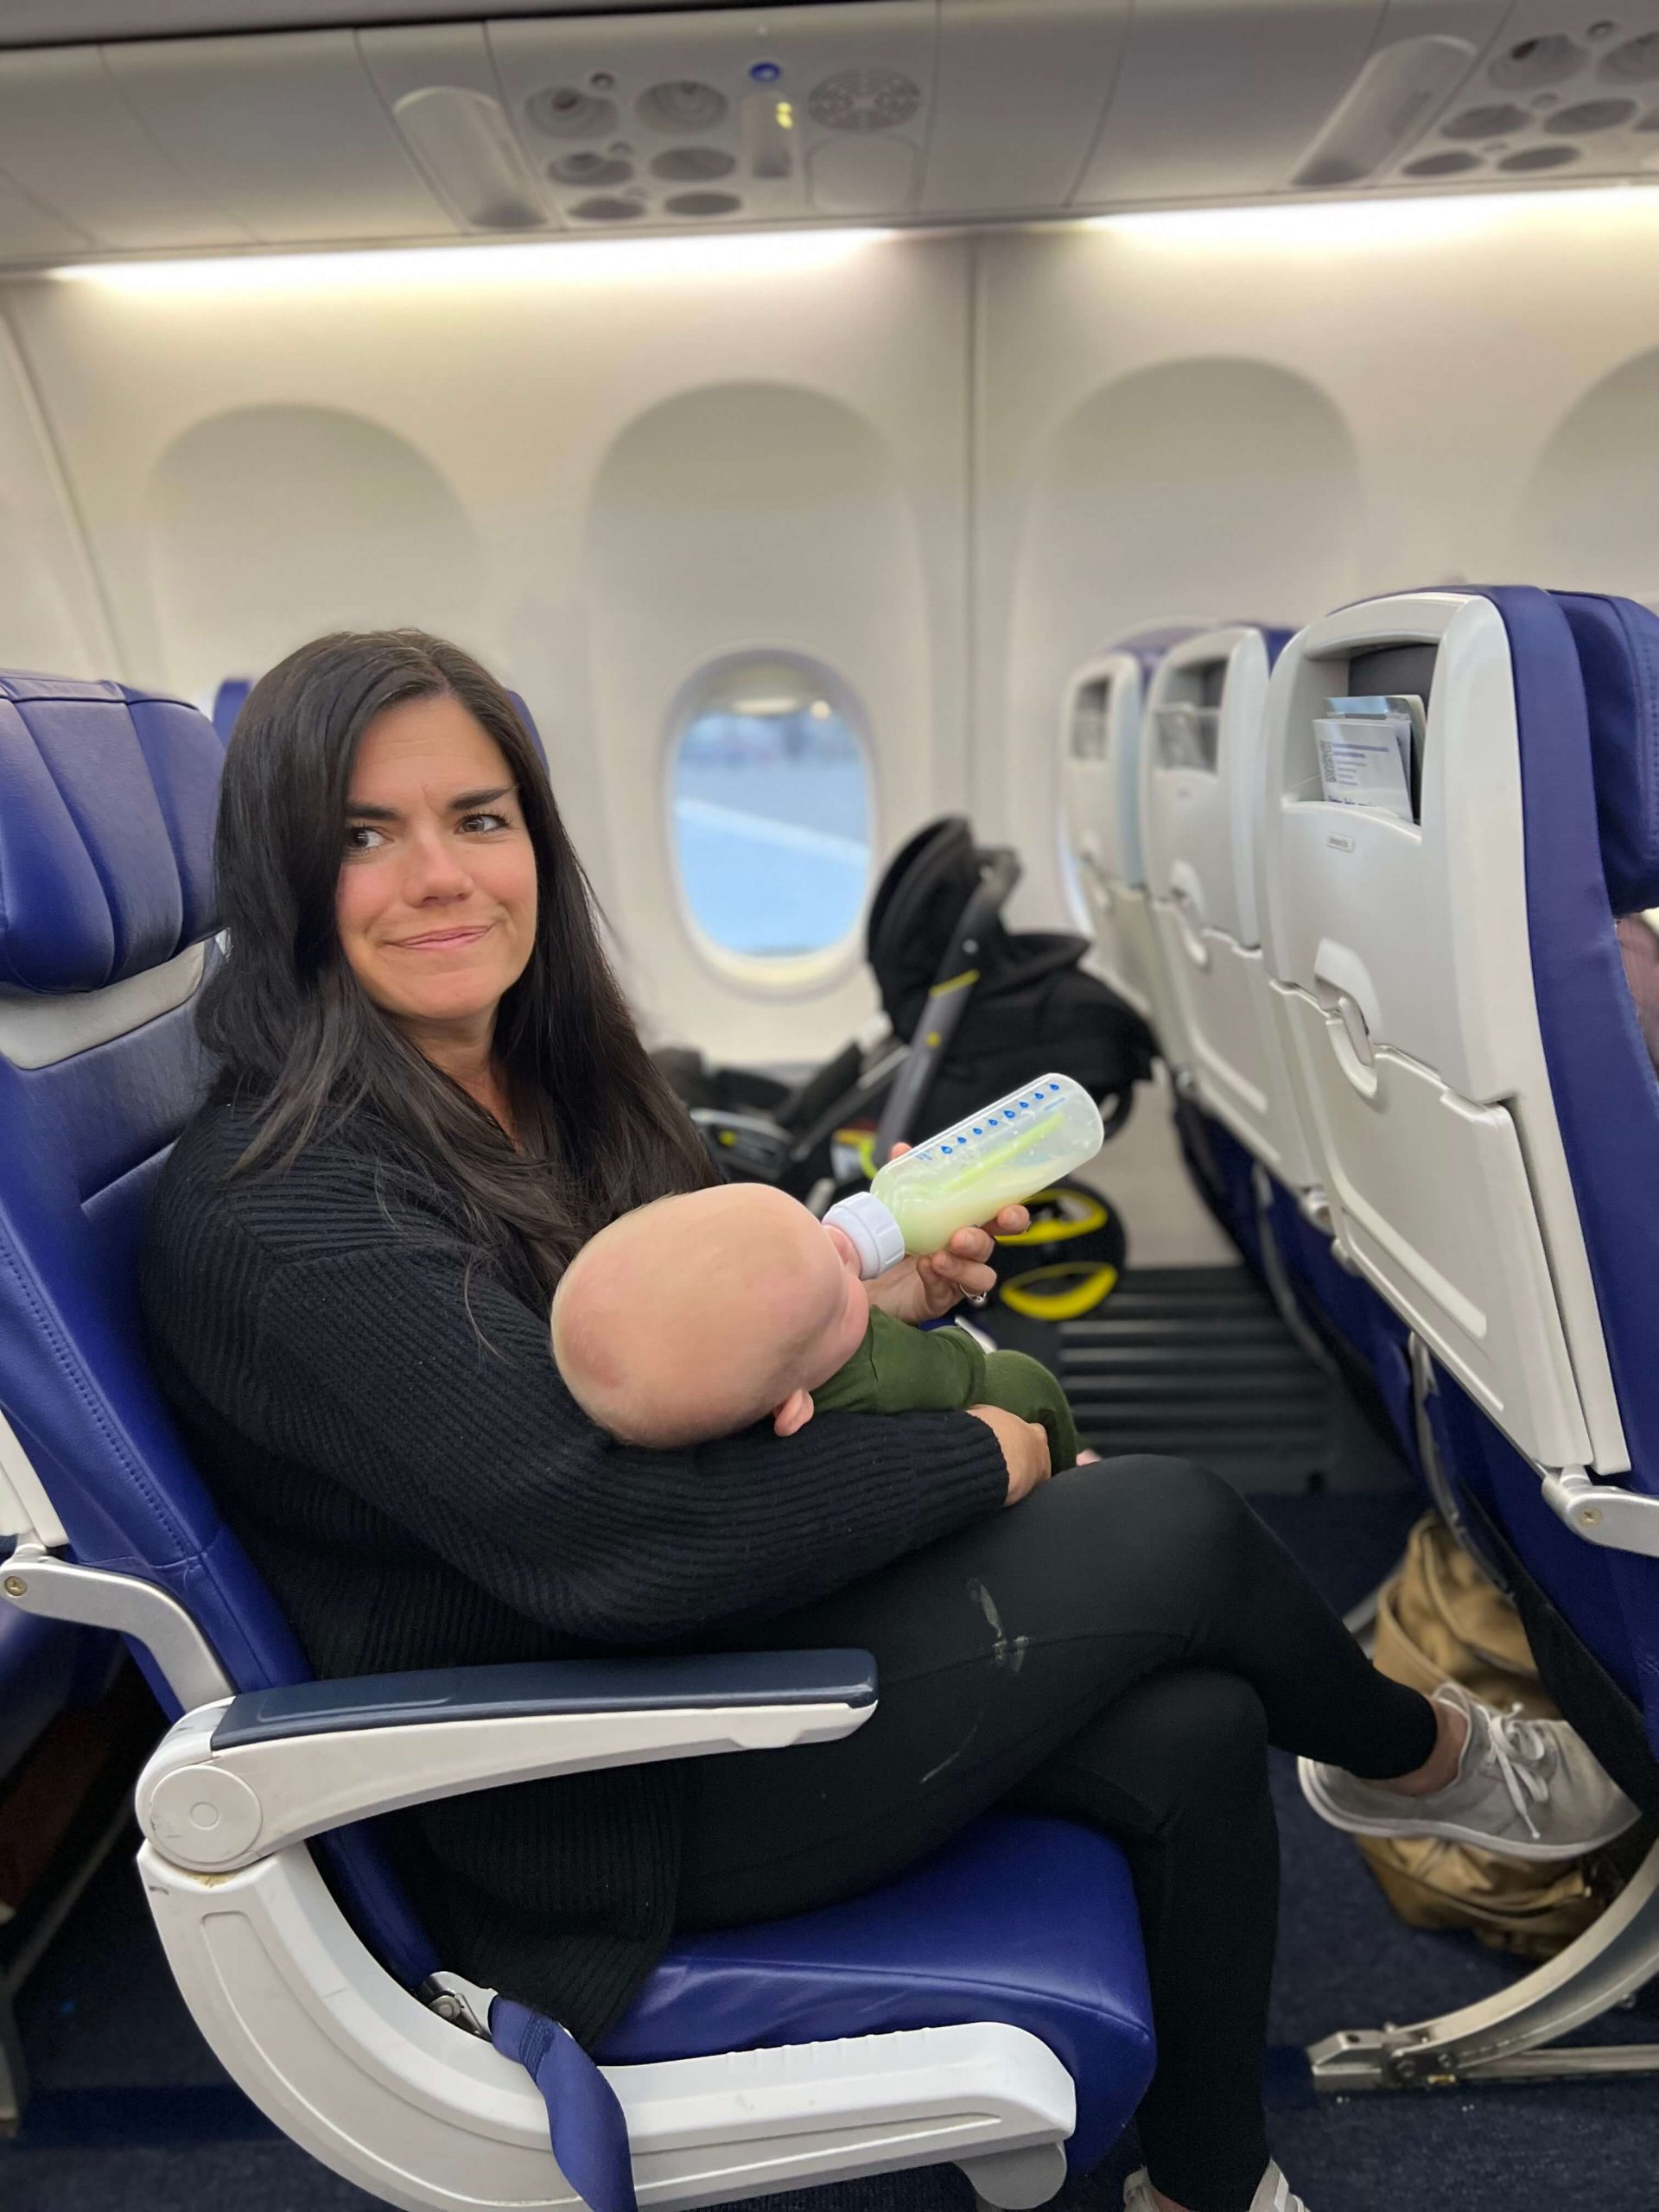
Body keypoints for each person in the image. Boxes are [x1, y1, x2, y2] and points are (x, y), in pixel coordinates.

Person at [140, 630, 1634, 2212]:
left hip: (698, 1663)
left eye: (480, 817)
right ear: (286, 876)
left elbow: (681, 1372)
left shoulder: (544, 1081)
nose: (440, 875)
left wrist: (863, 1303)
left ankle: (1206, 2180)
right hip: (590, 1790)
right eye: (366, 837)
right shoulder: (283, 1211)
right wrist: (994, 1457)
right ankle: (1435, 1768)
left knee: (1194, 1730)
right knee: (1169, 1524)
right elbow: (613, 1546)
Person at [550, 1179, 1084, 1468]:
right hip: (985, 1443)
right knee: (1019, 1376)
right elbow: (961, 1370)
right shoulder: (880, 1372)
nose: (843, 1249)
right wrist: (960, 1352)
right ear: (793, 1407)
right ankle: (1072, 1463)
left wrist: (859, 1300)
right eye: (839, 1290)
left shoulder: (728, 1387)